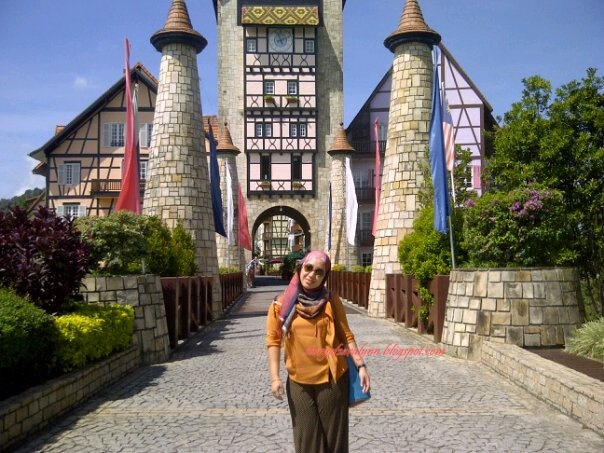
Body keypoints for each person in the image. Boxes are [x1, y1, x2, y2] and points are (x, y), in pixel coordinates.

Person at [266, 250, 370, 453]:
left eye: (319, 272)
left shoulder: (331, 301)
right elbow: (273, 341)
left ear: (324, 277)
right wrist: (275, 378)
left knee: (334, 444)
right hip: (298, 383)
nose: (311, 274)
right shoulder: (280, 304)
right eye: (308, 268)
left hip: (332, 380)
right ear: (300, 268)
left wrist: (361, 366)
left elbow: (347, 335)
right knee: (307, 442)